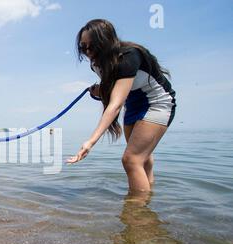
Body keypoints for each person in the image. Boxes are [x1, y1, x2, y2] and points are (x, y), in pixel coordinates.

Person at [67, 19, 176, 194]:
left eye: (92, 46)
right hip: (133, 104)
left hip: (158, 103)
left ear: (105, 41)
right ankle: (149, 200)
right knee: (142, 158)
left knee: (131, 160)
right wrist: (101, 89)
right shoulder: (97, 63)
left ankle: (137, 214)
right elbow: (116, 88)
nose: (87, 52)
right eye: (82, 47)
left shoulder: (128, 56)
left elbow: (115, 104)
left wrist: (90, 141)